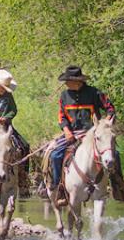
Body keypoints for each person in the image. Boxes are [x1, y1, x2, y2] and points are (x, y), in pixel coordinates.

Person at [45, 65, 118, 204]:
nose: (65, 83)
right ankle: (58, 187)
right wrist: (66, 131)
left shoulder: (95, 93)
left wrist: (105, 124)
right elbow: (62, 117)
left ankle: (117, 185)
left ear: (77, 81)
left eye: (68, 81)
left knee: (115, 155)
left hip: (93, 134)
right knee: (55, 154)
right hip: (71, 134)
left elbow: (110, 109)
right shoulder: (64, 96)